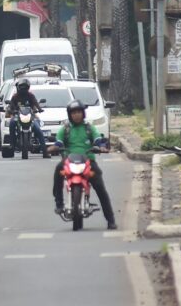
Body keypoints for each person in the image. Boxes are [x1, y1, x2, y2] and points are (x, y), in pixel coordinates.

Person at [49, 100, 117, 229]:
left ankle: (111, 220)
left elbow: (98, 139)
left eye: (79, 112)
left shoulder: (89, 128)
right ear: (70, 115)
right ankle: (59, 203)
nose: (77, 115)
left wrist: (101, 147)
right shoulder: (66, 129)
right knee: (58, 170)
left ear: (83, 113)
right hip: (69, 160)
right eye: (74, 112)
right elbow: (58, 142)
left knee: (100, 189)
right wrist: (53, 147)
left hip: (88, 161)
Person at [6, 77, 46, 150]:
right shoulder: (15, 97)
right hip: (17, 116)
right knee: (11, 123)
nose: (23, 90)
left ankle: (44, 150)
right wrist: (12, 110)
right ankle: (12, 143)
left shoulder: (30, 95)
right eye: (22, 88)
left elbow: (35, 103)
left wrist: (39, 109)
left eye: (25, 88)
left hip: (30, 116)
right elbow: (11, 106)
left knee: (38, 130)